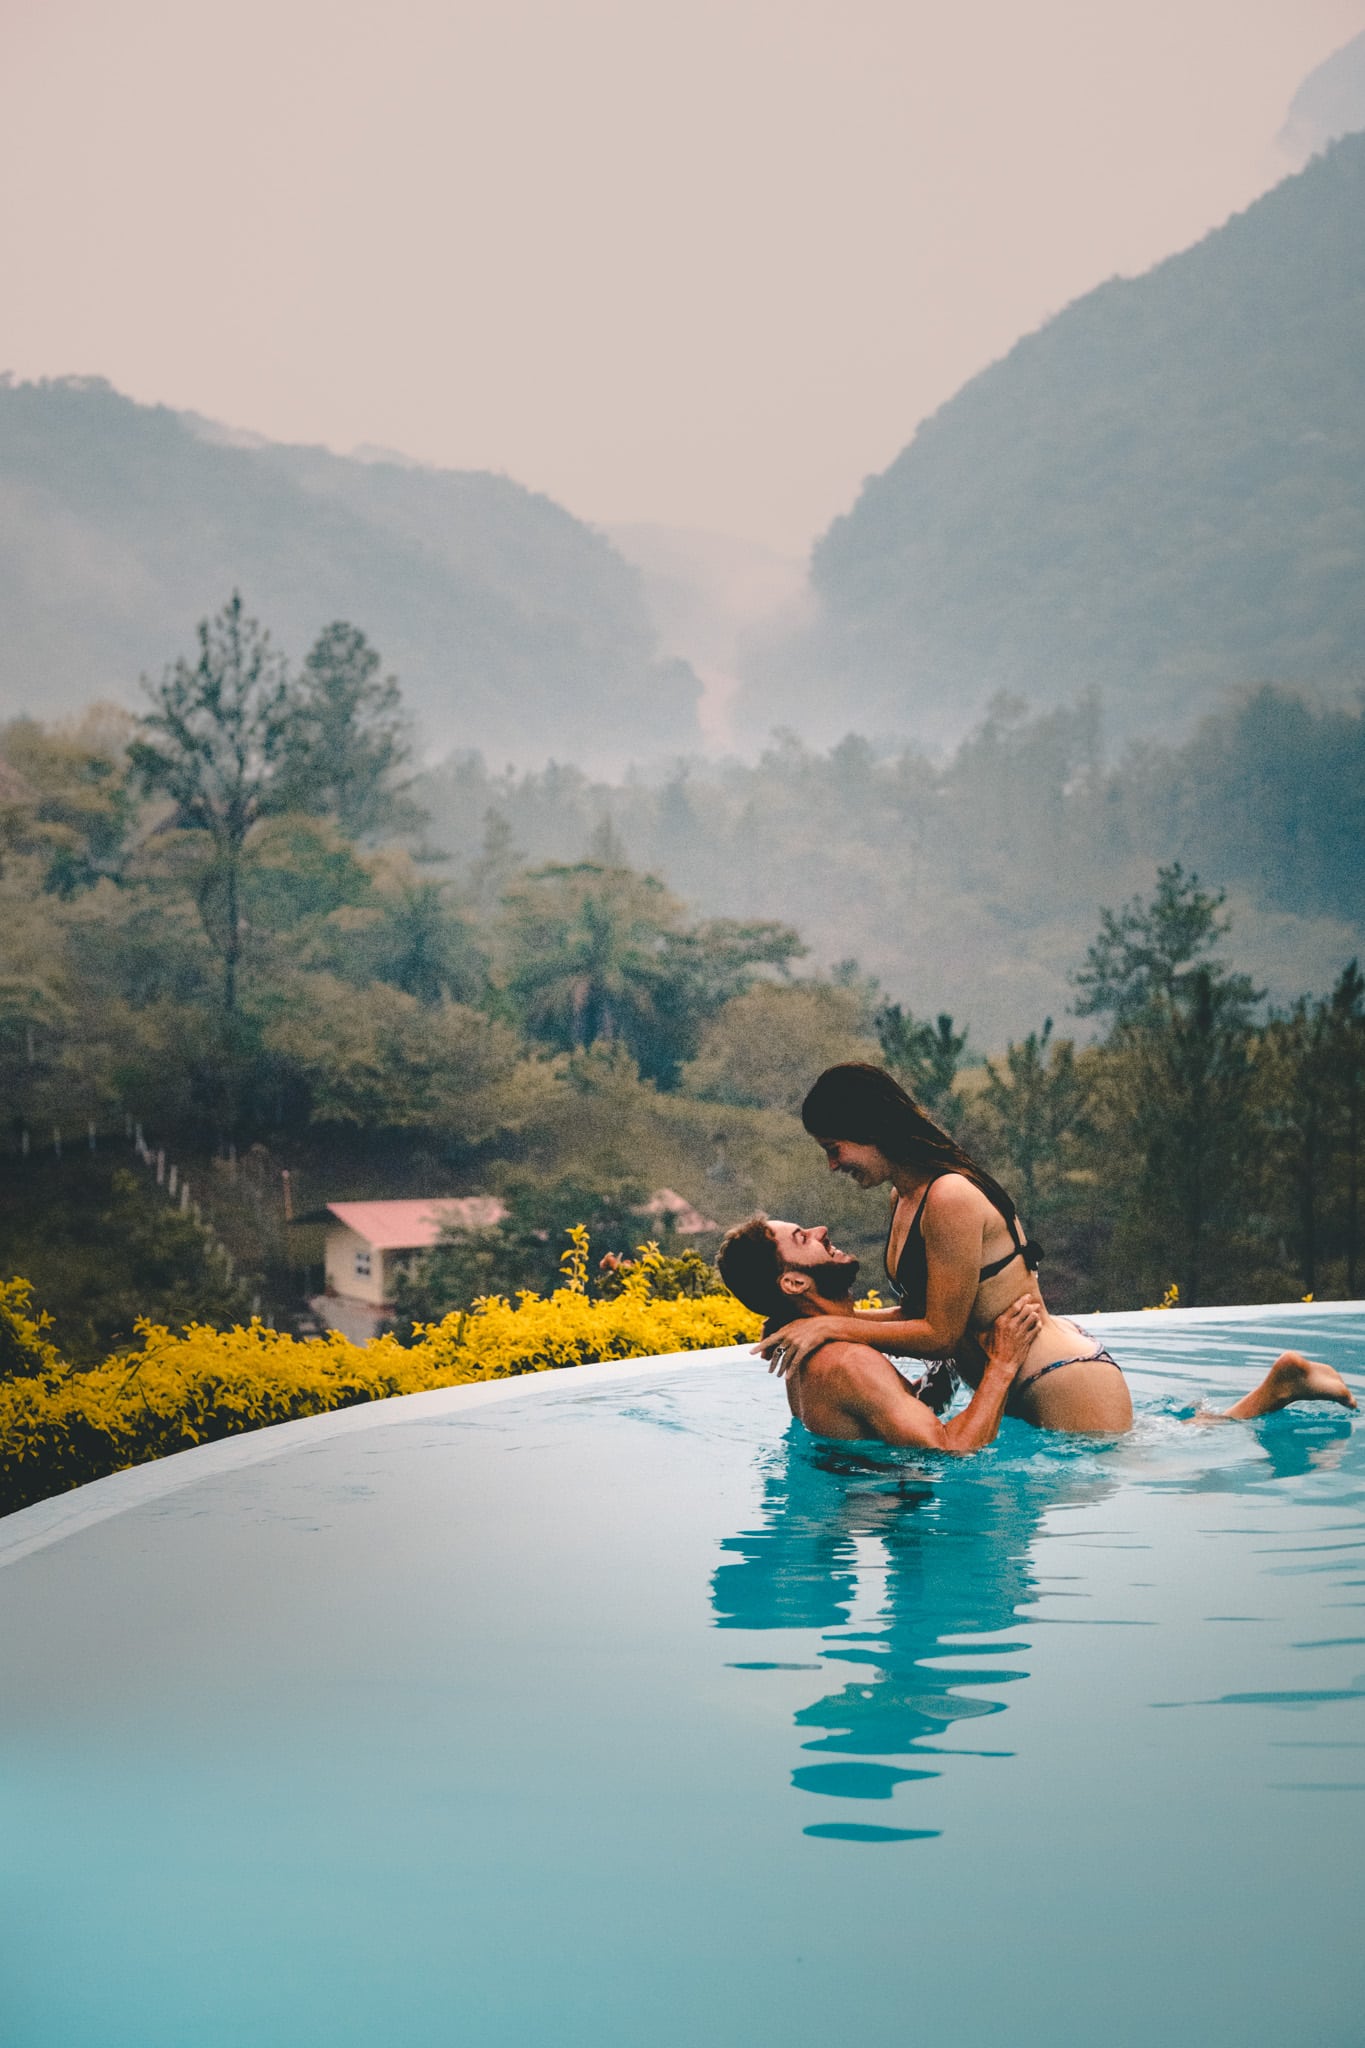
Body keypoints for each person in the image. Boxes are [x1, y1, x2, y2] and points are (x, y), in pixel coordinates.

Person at [717, 1211, 1358, 1447]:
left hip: (902, 1504)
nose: (822, 1233)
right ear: (793, 1284)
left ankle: (1272, 1392)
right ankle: (1272, 1391)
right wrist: (998, 1365)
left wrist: (932, 1385)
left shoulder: (825, 1349)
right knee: (1163, 1465)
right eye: (801, 1239)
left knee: (1152, 1447)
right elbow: (950, 1450)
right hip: (924, 1518)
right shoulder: (843, 1359)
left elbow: (881, 1422)